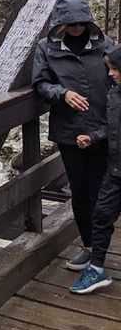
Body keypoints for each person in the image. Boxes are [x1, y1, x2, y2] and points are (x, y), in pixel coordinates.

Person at [32, 0, 113, 271]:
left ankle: (100, 248)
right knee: (79, 190)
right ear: (61, 23)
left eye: (81, 22)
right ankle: (90, 247)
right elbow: (41, 83)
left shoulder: (105, 45)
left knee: (103, 189)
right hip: (70, 131)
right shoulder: (46, 48)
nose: (77, 27)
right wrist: (62, 93)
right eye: (71, 22)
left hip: (104, 127)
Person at [71, 45, 121, 294]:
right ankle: (97, 269)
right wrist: (92, 137)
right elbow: (112, 128)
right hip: (115, 171)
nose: (110, 74)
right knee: (101, 216)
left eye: (114, 69)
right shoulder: (114, 95)